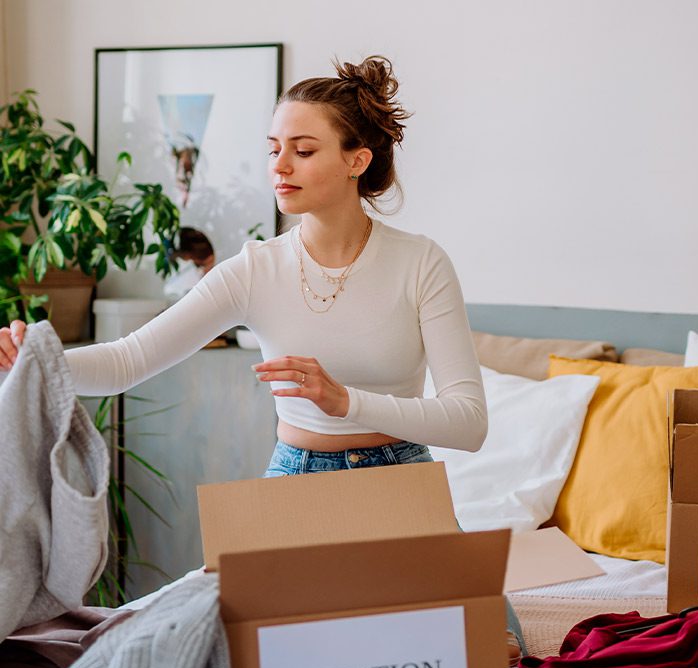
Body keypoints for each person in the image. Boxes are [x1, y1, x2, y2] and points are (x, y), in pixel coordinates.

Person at [0, 55, 488, 477]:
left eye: (303, 150)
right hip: (297, 475)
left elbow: (469, 423)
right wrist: (38, 360)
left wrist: (345, 402)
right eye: (274, 149)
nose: (279, 166)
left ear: (356, 161)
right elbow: (127, 361)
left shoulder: (421, 263)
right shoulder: (255, 269)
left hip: (401, 475)